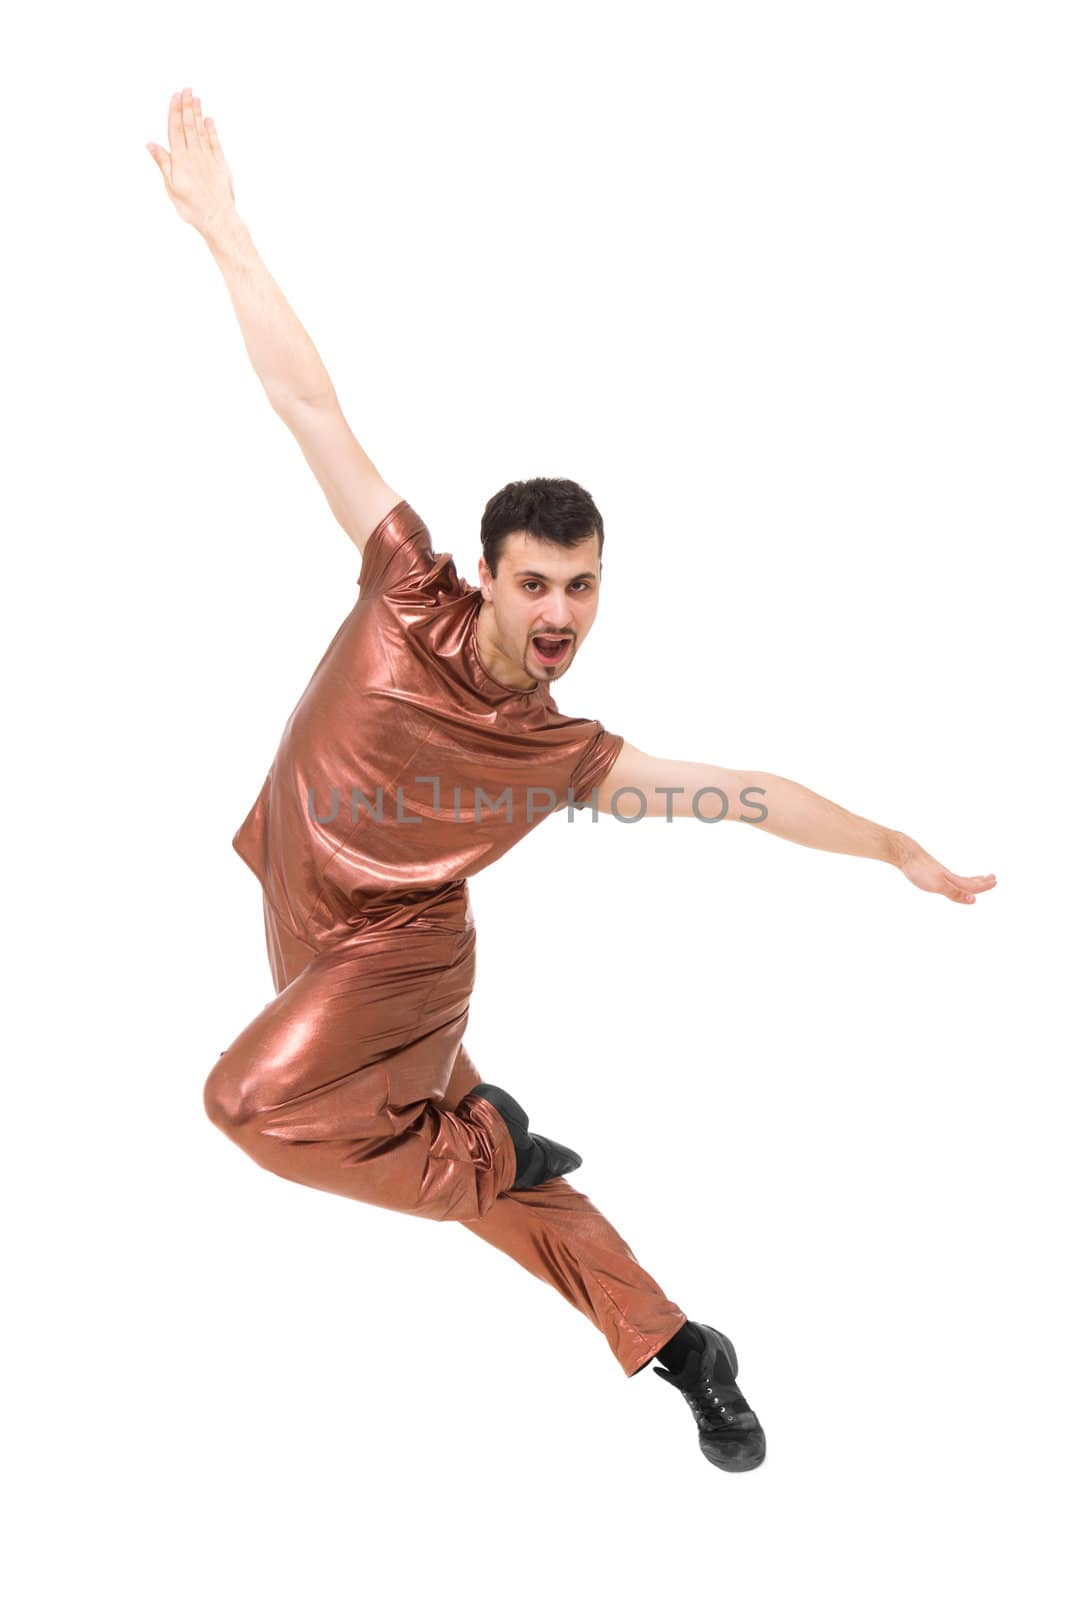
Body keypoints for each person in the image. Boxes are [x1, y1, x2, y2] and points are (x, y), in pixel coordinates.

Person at [148, 87, 998, 1475]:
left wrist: (893, 840)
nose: (561, 612)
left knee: (252, 1106)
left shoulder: (563, 756)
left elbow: (744, 794)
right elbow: (307, 400)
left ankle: (486, 1140)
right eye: (538, 583)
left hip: (403, 960)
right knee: (487, 1193)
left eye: (584, 589)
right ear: (490, 575)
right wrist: (226, 233)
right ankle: (683, 1349)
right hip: (307, 924)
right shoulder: (403, 585)